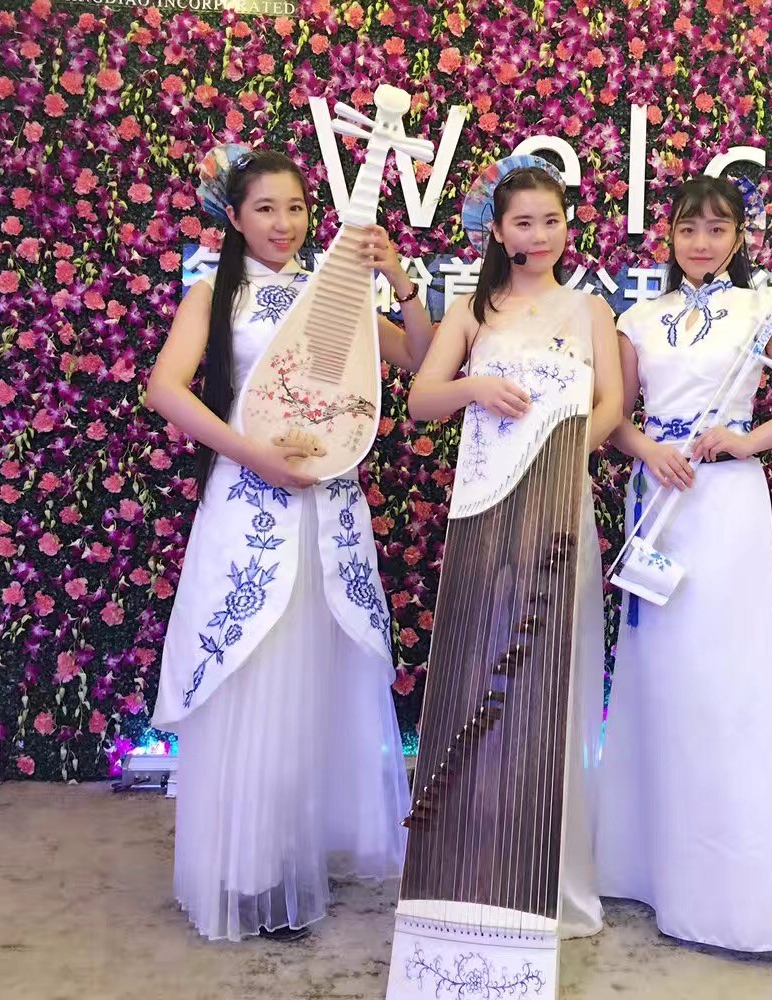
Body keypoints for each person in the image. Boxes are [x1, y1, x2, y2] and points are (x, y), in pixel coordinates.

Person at [146, 146, 434, 942]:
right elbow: (165, 388)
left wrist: (400, 278)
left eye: (297, 208)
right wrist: (254, 456)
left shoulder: (330, 292)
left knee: (310, 689)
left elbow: (417, 356)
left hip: (326, 517)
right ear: (234, 218)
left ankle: (293, 851)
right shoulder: (215, 293)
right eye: (265, 208)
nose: (283, 224)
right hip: (250, 509)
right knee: (253, 679)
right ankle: (245, 867)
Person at [594, 175, 772, 954]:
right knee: (661, 675)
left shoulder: (760, 310)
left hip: (727, 501)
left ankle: (736, 891)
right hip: (659, 502)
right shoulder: (638, 317)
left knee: (726, 679)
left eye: (717, 228)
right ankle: (647, 868)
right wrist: (648, 450)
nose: (702, 242)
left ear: (738, 236)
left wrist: (748, 440)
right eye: (688, 229)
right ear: (668, 236)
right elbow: (614, 415)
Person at [406, 155, 622, 938]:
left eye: (551, 221)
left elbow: (612, 404)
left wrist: (562, 456)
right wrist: (473, 387)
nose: (538, 235)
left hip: (556, 505)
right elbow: (422, 400)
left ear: (568, 227)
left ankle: (545, 866)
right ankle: (476, 856)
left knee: (548, 679)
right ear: (498, 231)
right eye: (523, 222)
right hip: (485, 510)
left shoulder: (591, 309)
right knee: (479, 672)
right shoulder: (474, 309)